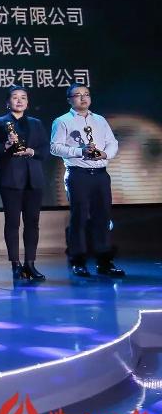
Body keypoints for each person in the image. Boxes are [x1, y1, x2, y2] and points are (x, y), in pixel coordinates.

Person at [50, 83, 123, 278]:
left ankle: (104, 261)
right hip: (78, 174)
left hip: (100, 174)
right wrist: (79, 151)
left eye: (86, 94)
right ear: (69, 100)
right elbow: (55, 147)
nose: (83, 98)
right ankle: (78, 261)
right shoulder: (62, 121)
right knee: (79, 217)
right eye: (77, 95)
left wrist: (105, 154)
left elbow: (113, 143)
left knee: (103, 217)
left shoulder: (99, 120)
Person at [0, 85, 50, 281]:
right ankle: (15, 265)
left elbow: (45, 149)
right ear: (7, 102)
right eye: (15, 97)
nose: (19, 101)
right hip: (10, 179)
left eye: (23, 97)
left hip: (34, 179)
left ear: (27, 102)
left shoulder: (36, 123)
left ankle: (30, 264)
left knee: (32, 222)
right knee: (12, 222)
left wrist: (33, 151)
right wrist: (6, 145)